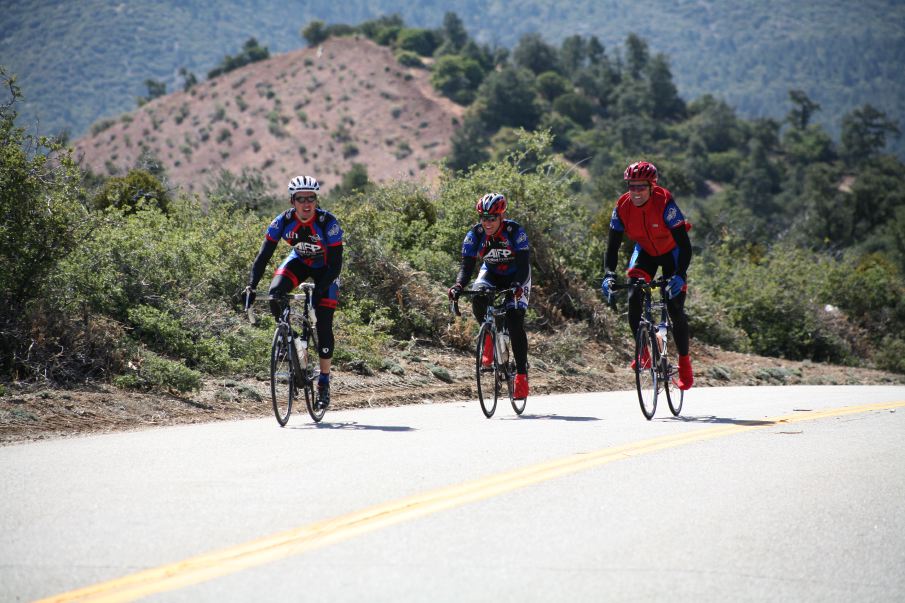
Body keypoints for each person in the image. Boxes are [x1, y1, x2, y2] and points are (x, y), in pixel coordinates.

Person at [242, 176, 343, 408]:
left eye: (311, 198)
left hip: (326, 268)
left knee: (325, 323)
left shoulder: (328, 222)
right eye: (301, 199)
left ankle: (324, 384)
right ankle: (290, 340)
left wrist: (321, 289)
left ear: (316, 200)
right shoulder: (283, 221)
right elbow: (263, 256)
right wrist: (251, 286)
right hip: (299, 261)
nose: (306, 203)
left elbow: (337, 263)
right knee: (275, 293)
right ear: (292, 201)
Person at [600, 161, 694, 390]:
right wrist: (609, 274)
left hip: (672, 252)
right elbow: (612, 247)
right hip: (645, 252)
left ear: (652, 186)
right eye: (631, 186)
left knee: (674, 308)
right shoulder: (622, 206)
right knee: (633, 296)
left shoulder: (665, 203)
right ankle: (644, 352)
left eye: (641, 187)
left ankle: (684, 363)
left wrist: (680, 274)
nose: (636, 192)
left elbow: (685, 243)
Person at [448, 193, 532, 400]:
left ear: (501, 217)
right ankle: (488, 336)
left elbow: (523, 264)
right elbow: (466, 267)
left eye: (492, 218)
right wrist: (458, 285)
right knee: (478, 296)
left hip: (517, 275)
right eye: (483, 218)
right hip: (491, 272)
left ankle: (521, 375)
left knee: (514, 321)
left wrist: (516, 285)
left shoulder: (515, 231)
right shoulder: (475, 234)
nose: (487, 222)